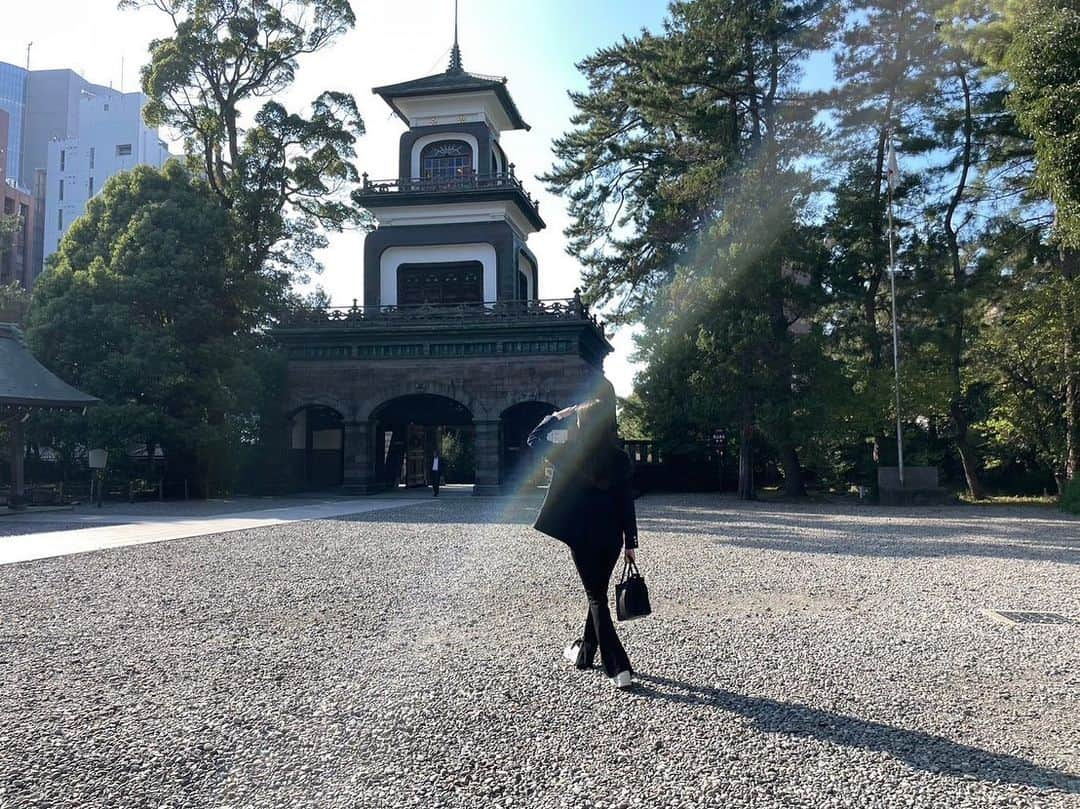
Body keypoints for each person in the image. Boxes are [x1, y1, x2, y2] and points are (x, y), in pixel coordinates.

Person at [527, 397, 638, 690]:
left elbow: (534, 438)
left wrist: (559, 414)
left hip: (582, 535)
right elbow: (626, 501)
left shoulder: (569, 452)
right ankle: (585, 655)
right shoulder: (620, 457)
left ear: (582, 423)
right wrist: (631, 541)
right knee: (597, 593)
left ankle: (618, 667)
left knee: (596, 598)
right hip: (612, 538)